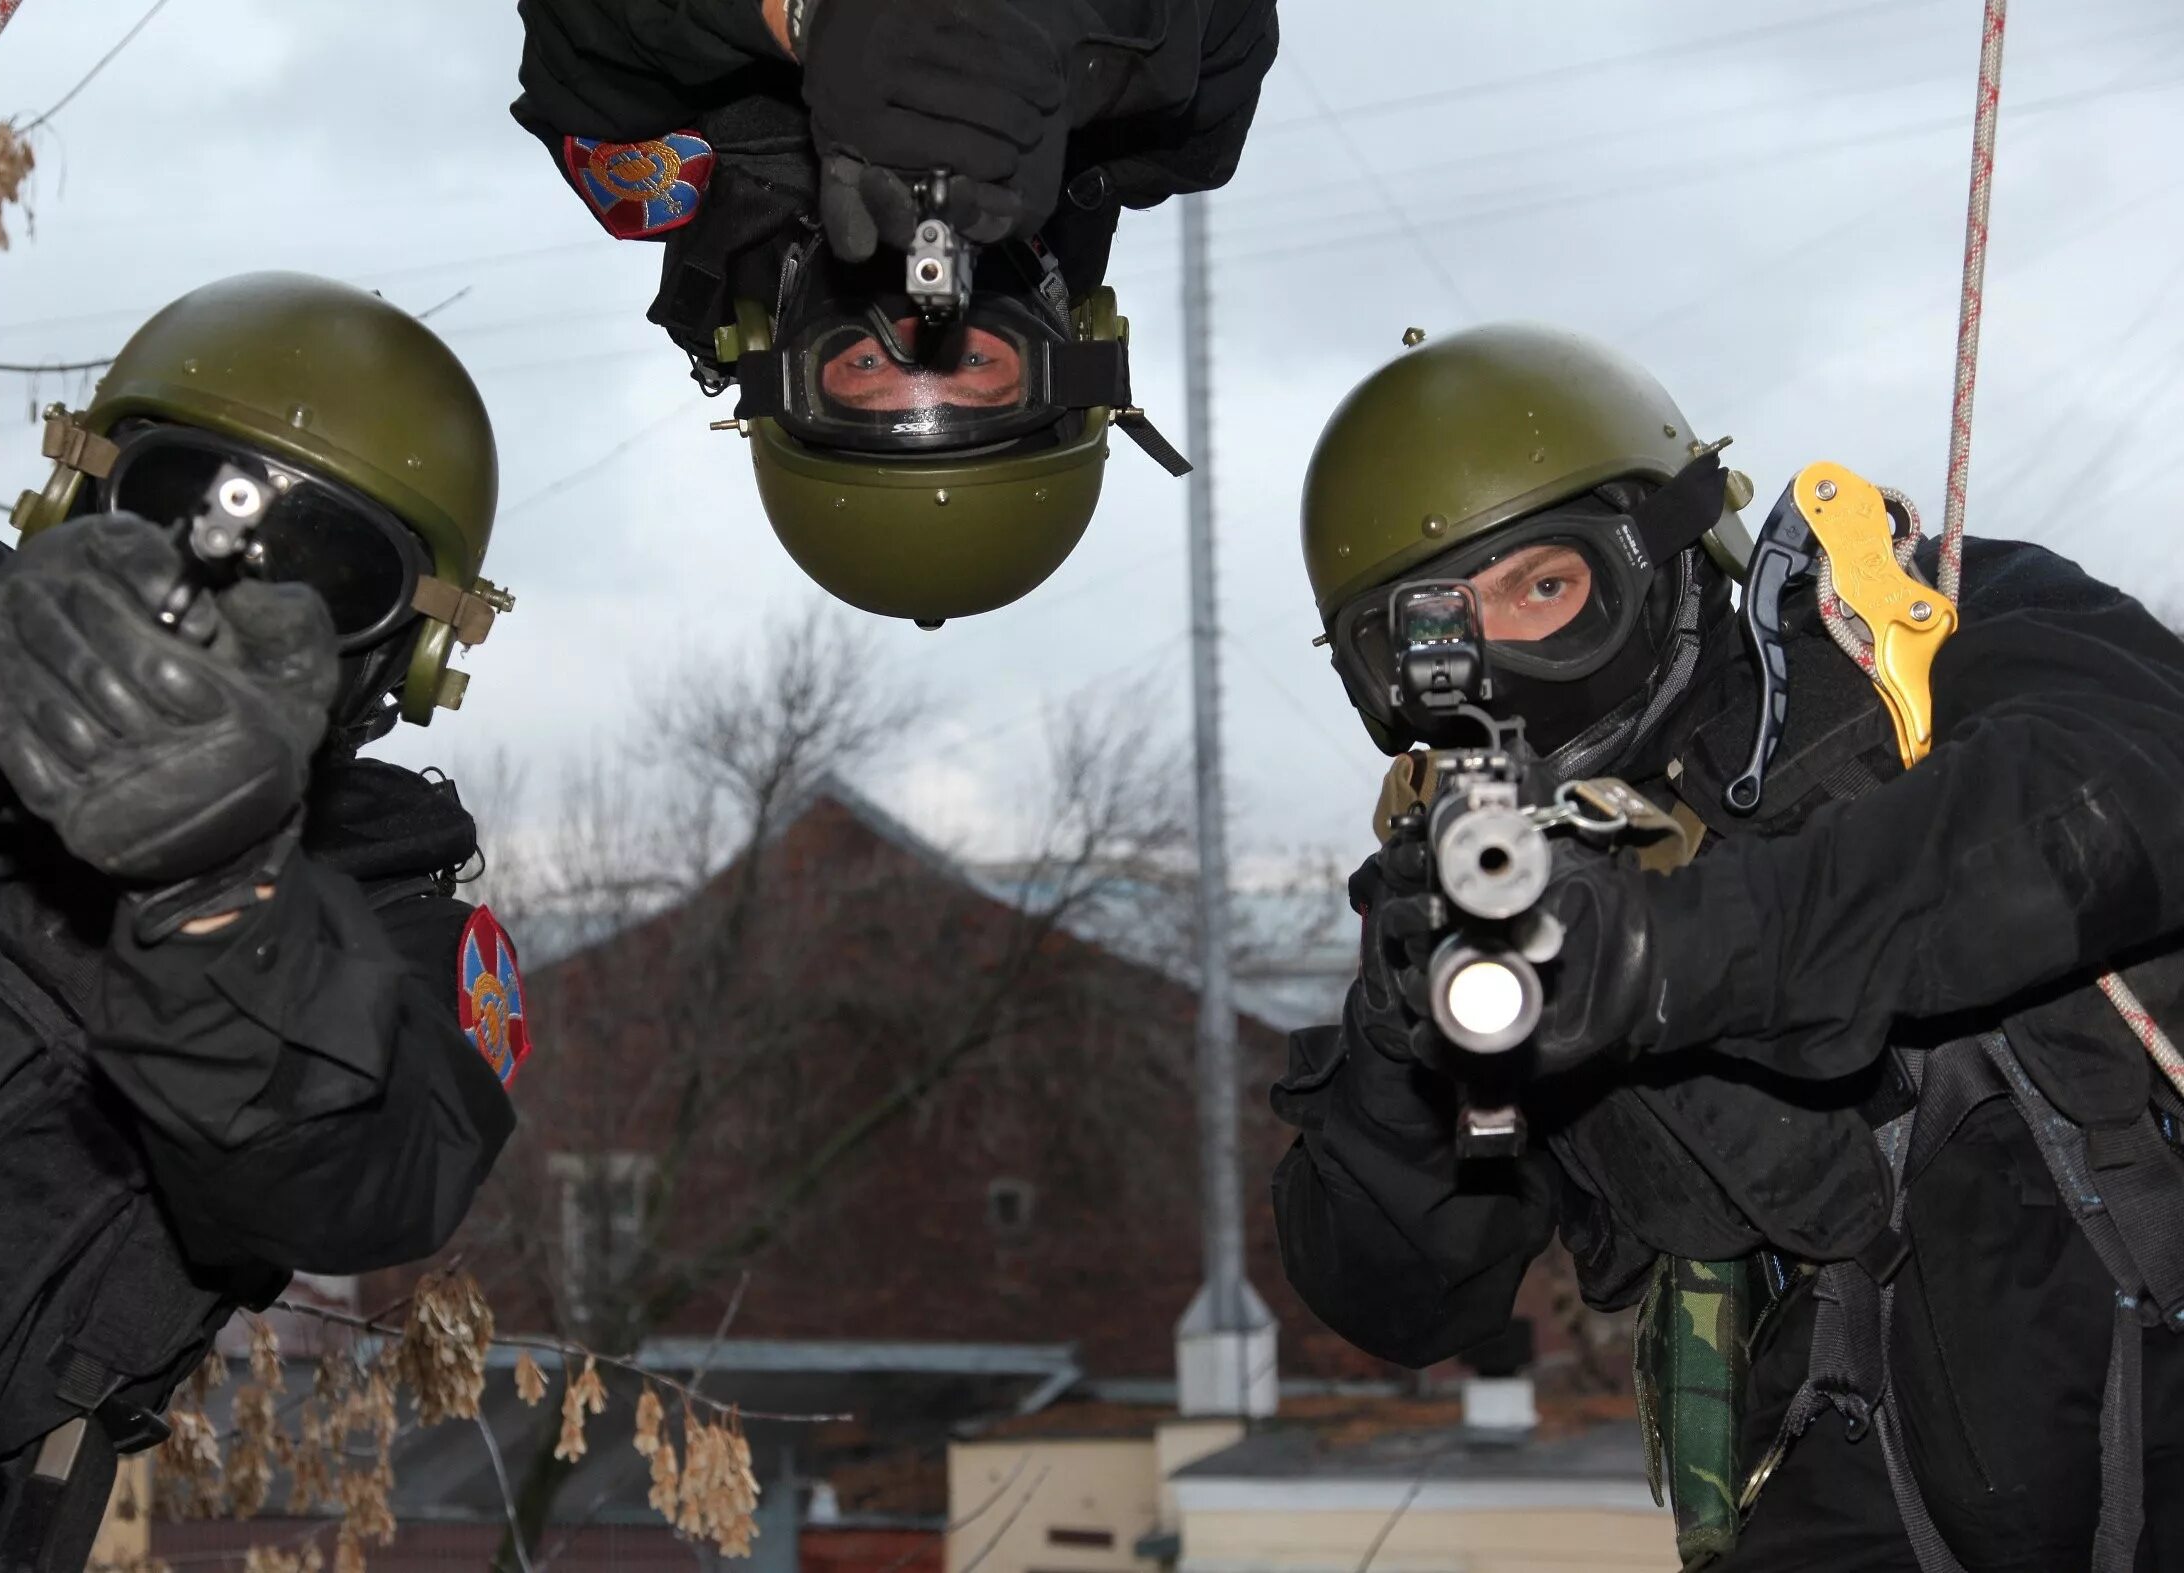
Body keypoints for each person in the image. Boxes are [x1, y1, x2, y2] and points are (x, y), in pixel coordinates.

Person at [1270, 322, 2184, 1571]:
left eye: (1545, 587)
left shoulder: (1909, 632)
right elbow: (1399, 1297)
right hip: (1844, 1474)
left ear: (1661, 546)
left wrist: (1654, 956)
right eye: (1433, 635)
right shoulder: (1471, 894)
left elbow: (2117, 800)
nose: (1497, 663)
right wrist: (1402, 1047)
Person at [0, 271, 532, 1573]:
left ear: (402, 651)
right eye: (183, 503)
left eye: (324, 573)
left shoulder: (389, 927)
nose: (228, 583)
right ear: (80, 497)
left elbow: (367, 1171)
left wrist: (217, 894)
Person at [511, 0, 1278, 625]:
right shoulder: (1173, 126)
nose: (919, 327)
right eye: (976, 364)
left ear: (778, 356)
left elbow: (579, 32)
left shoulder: (644, 145)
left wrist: (808, 16)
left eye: (868, 367)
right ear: (1069, 338)